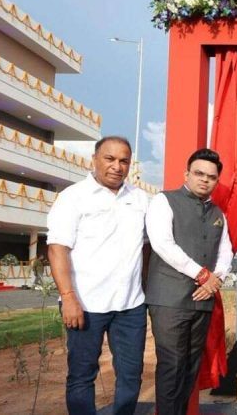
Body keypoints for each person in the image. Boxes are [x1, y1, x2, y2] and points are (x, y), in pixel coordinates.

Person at [47, 136, 150, 415]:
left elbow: (148, 247)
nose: (117, 166)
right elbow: (58, 249)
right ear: (94, 159)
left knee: (131, 375)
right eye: (110, 159)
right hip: (84, 304)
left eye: (124, 161)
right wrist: (68, 298)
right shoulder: (73, 197)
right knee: (82, 375)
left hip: (130, 307)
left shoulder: (141, 199)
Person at [144, 148, 233, 415]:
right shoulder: (164, 201)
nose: (204, 180)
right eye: (199, 174)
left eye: (211, 177)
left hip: (203, 300)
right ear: (187, 174)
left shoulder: (218, 213)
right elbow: (163, 244)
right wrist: (202, 274)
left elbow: (226, 250)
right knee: (172, 365)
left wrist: (216, 279)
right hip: (170, 300)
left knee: (190, 367)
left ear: (217, 181)